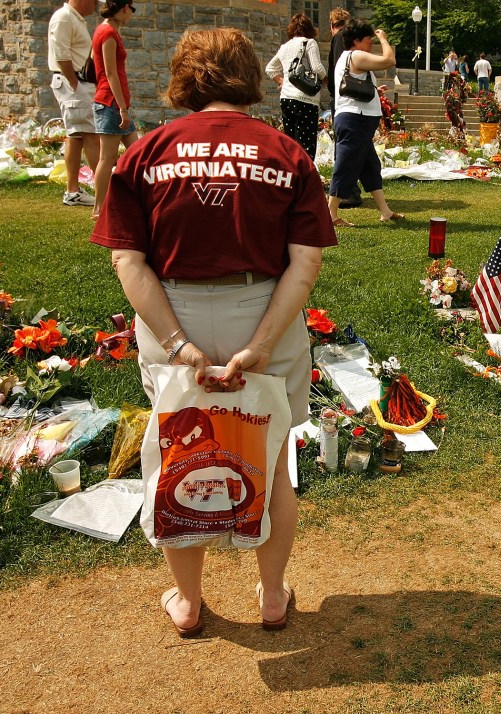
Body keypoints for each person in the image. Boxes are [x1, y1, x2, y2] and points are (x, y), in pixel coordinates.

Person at [90, 27, 337, 639]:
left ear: (185, 76)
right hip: (265, 307)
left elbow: (128, 261)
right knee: (274, 464)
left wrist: (177, 344)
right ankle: (273, 595)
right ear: (250, 76)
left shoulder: (144, 151)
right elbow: (305, 262)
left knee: (180, 457)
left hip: (175, 308)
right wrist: (260, 345)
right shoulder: (286, 151)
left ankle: (189, 599)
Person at [328, 19, 403, 227]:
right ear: (358, 40)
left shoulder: (349, 58)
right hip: (355, 121)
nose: (372, 43)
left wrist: (374, 93)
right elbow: (389, 60)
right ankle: (330, 215)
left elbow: (353, 87)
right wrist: (384, 39)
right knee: (346, 165)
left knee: (370, 166)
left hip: (357, 120)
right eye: (369, 39)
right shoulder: (356, 55)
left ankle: (385, 212)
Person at [47, 0, 99, 207]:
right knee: (91, 135)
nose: (95, 5)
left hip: (76, 81)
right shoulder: (64, 17)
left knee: (75, 137)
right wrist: (75, 83)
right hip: (73, 82)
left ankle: (73, 191)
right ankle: (105, 189)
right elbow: (62, 54)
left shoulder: (73, 18)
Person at [90, 0, 138, 219]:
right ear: (125, 8)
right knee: (107, 158)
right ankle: (99, 209)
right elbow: (110, 73)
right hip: (111, 103)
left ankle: (136, 198)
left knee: (137, 153)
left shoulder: (104, 30)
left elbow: (93, 59)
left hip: (113, 103)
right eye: (131, 10)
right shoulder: (108, 33)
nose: (131, 15)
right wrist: (122, 109)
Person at [266, 12, 327, 161]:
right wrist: (326, 79)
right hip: (305, 99)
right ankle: (306, 178)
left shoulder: (284, 46)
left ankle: (292, 176)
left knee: (291, 142)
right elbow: (317, 68)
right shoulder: (309, 43)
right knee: (306, 143)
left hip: (286, 97)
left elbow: (270, 68)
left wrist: (282, 81)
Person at [325, 7, 361, 208]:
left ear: (332, 24)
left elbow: (338, 71)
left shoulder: (339, 39)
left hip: (342, 100)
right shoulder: (349, 40)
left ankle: (347, 192)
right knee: (354, 146)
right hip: (349, 100)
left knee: (344, 147)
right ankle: (348, 189)